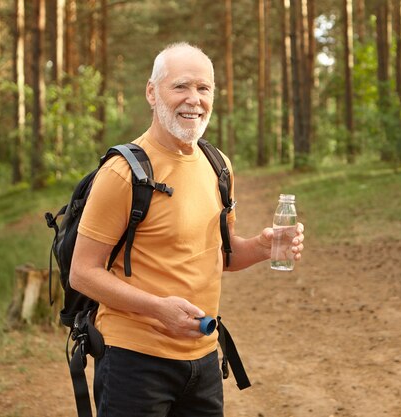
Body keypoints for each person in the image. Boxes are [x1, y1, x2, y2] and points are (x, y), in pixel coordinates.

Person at [69, 42, 305, 417]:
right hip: (134, 360)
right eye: (180, 86)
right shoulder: (122, 174)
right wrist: (158, 309)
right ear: (152, 92)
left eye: (203, 88)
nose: (193, 99)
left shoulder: (218, 165)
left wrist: (262, 247)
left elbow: (221, 257)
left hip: (204, 358)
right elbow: (82, 273)